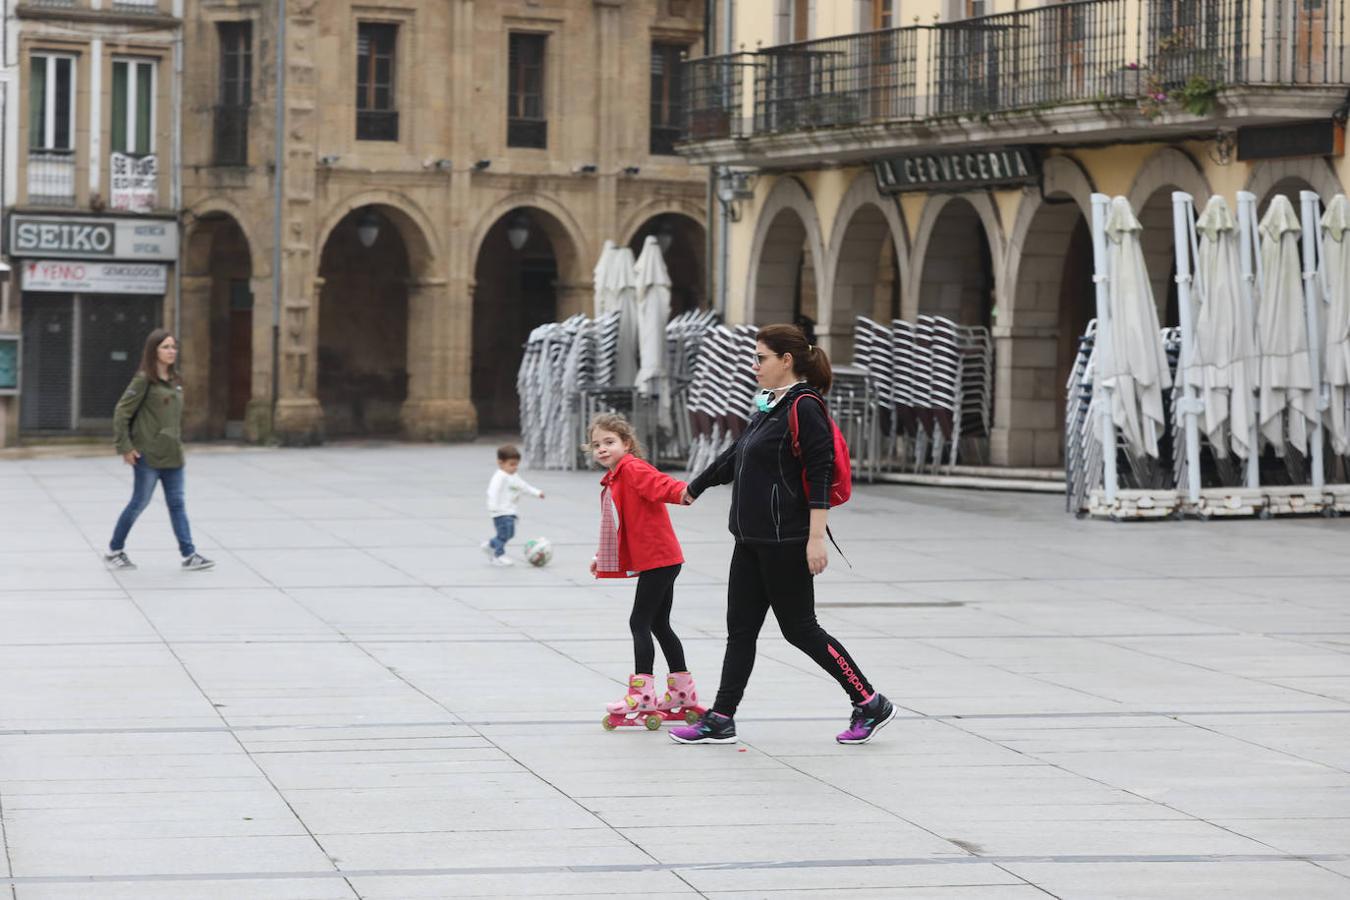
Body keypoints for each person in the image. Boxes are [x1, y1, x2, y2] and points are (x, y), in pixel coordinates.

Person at [671, 324, 895, 746]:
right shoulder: (770, 405)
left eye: (761, 358)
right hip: (751, 539)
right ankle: (721, 717)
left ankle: (869, 701)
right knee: (740, 630)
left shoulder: (805, 406)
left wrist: (816, 538)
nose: (754, 365)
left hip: (786, 541)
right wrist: (694, 488)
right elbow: (737, 454)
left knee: (801, 629)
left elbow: (819, 471)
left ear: (785, 361)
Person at [588, 413, 703, 729]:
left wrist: (684, 491)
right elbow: (620, 522)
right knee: (659, 623)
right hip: (661, 558)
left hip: (658, 559)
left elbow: (661, 484)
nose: (602, 449)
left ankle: (641, 695)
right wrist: (603, 555)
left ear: (626, 444)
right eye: (596, 444)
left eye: (609, 442)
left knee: (639, 621)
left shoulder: (633, 468)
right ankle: (681, 694)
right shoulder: (617, 476)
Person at [106, 329, 214, 572]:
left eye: (173, 347)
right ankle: (115, 550)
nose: (171, 351)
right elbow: (121, 412)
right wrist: (125, 446)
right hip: (148, 455)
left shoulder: (176, 381)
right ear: (154, 350)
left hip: (173, 455)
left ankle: (189, 554)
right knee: (139, 503)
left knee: (177, 504)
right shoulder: (144, 380)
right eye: (165, 347)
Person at [482, 444, 544, 567]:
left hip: (510, 512)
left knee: (509, 534)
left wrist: (537, 493)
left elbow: (524, 487)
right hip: (500, 513)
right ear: (500, 463)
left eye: (516, 464)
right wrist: (493, 507)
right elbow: (492, 492)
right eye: (511, 464)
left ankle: (491, 545)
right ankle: (498, 555)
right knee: (504, 534)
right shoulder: (499, 477)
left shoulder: (513, 476)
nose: (514, 467)